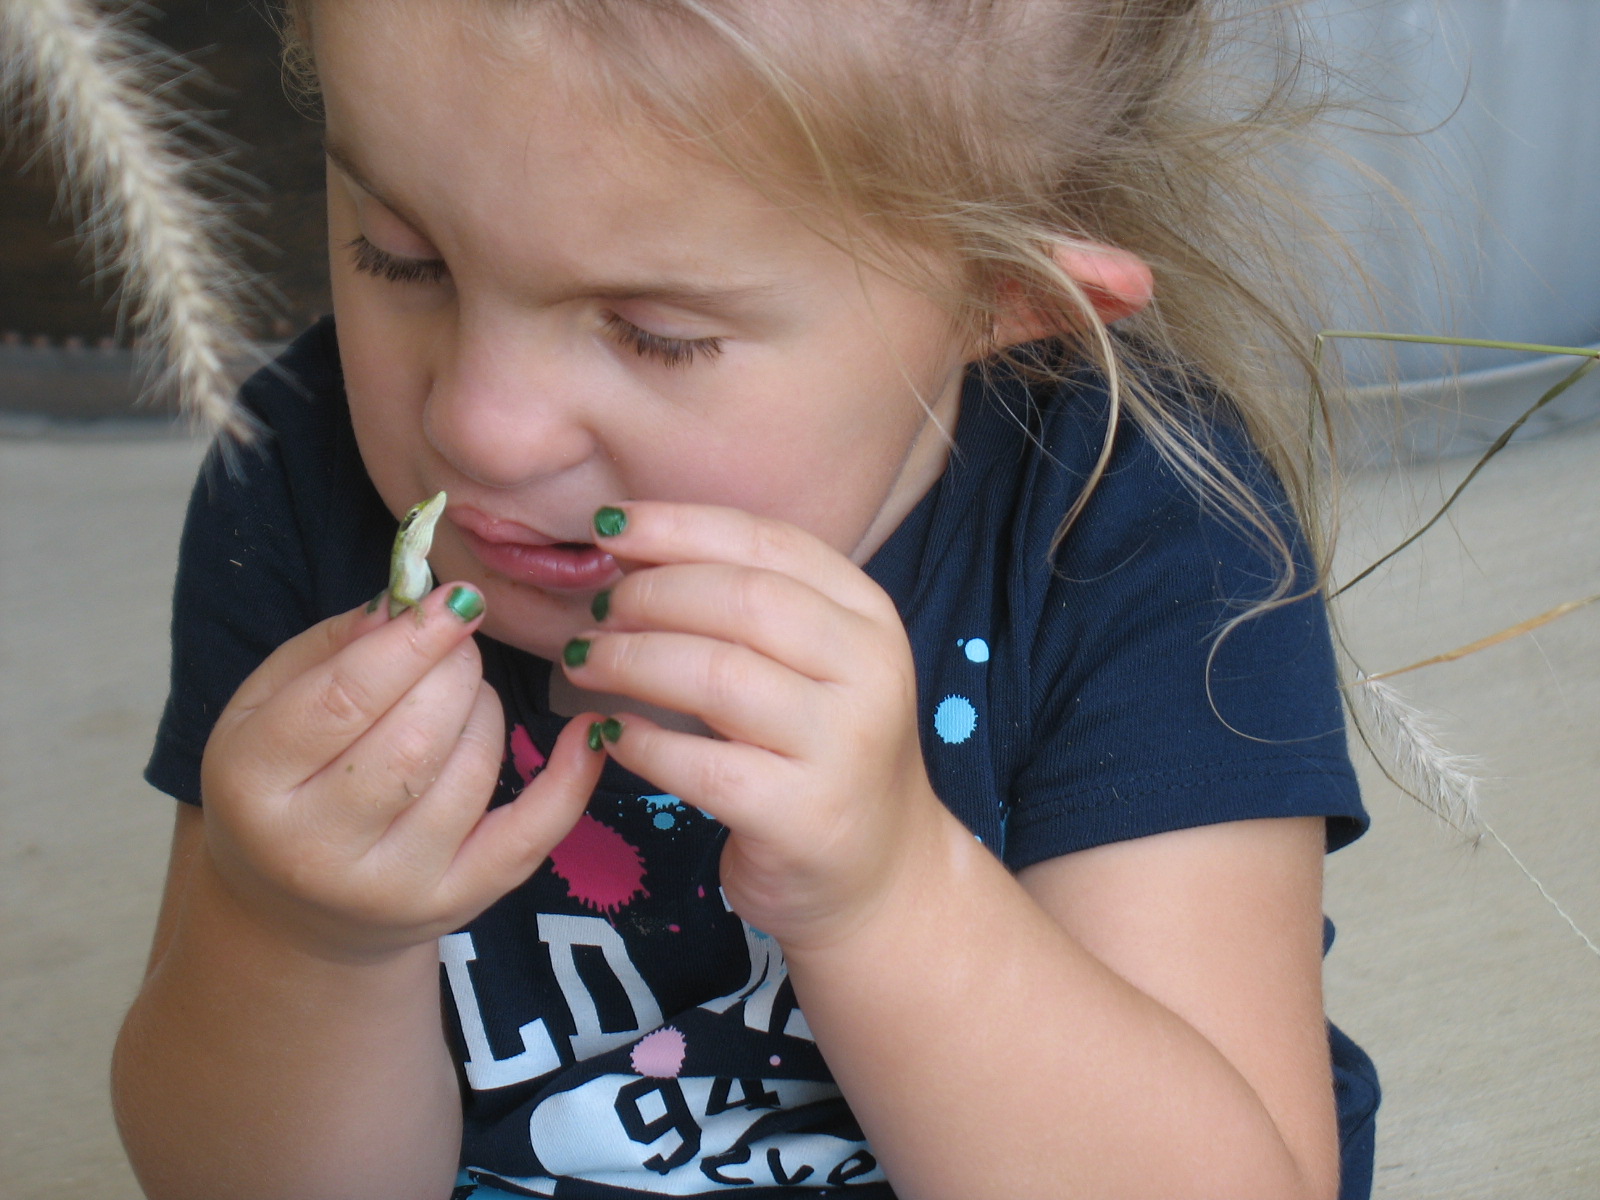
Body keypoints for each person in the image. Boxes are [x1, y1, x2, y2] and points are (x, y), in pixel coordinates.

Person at [111, 1, 1380, 1198]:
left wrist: (892, 898)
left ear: (1008, 301)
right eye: (403, 258)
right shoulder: (297, 471)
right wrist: (299, 939)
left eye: (654, 332)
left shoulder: (1137, 531)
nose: (476, 424)